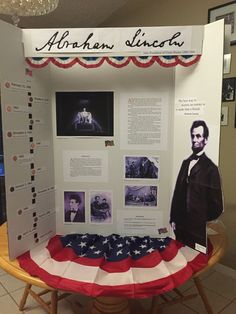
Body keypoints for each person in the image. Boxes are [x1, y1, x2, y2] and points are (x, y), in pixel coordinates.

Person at [170, 120, 223, 249]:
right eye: (192, 136)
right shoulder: (185, 163)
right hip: (180, 226)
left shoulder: (211, 168)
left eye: (198, 136)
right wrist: (173, 218)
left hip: (197, 229)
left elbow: (217, 205)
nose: (194, 139)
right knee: (181, 256)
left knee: (196, 258)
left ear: (206, 139)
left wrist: (200, 219)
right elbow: (177, 192)